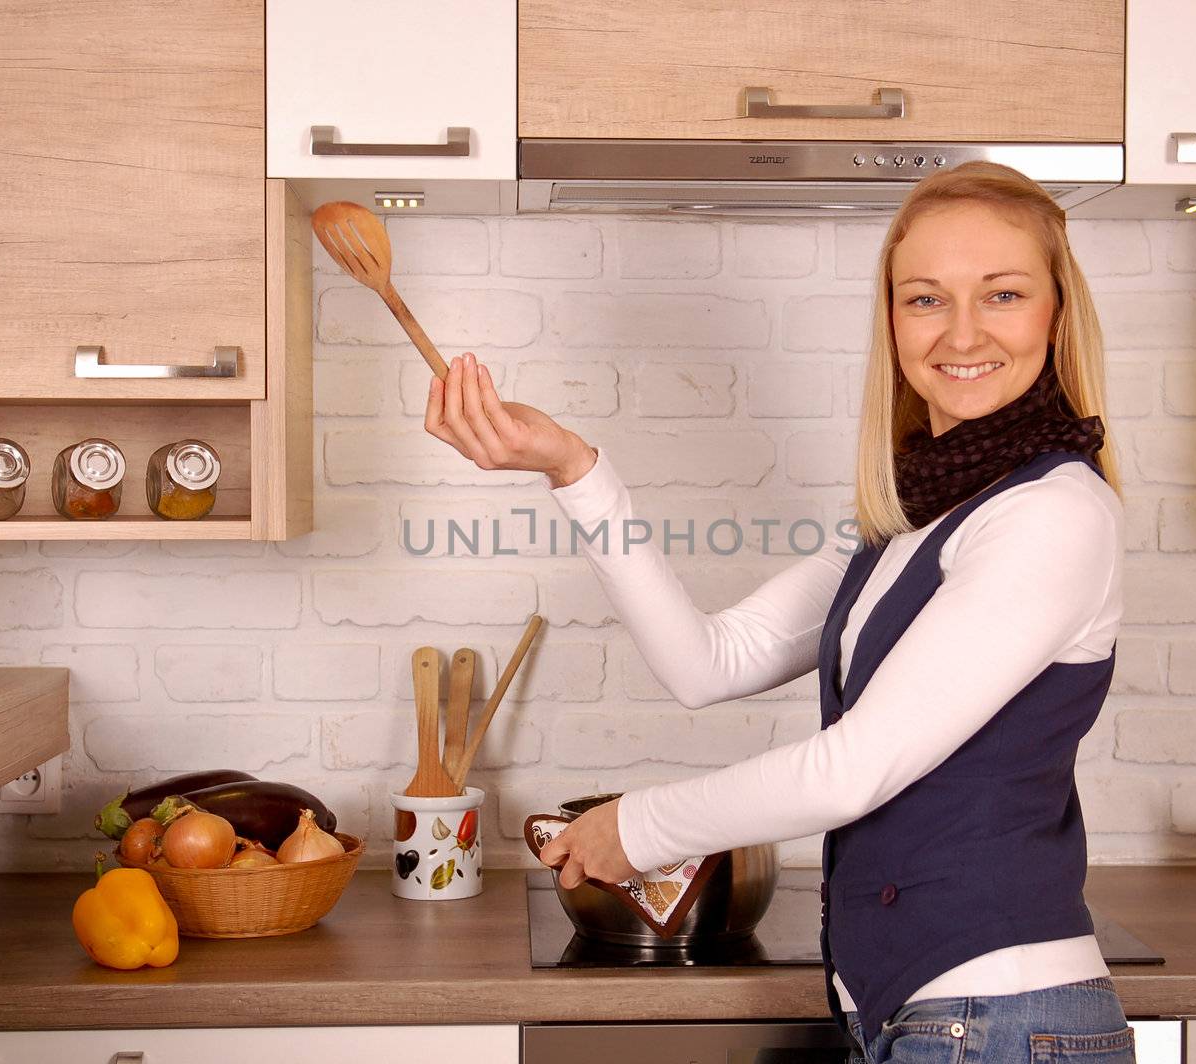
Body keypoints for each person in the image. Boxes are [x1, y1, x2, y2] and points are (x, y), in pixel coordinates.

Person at [423, 161, 1133, 1064]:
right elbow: (709, 663)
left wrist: (635, 828)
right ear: (891, 322)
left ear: (1056, 315)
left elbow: (853, 770)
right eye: (924, 299)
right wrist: (574, 470)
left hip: (998, 1021)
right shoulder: (913, 512)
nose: (961, 332)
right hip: (929, 1019)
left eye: (1002, 295)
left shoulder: (1053, 514)